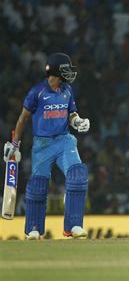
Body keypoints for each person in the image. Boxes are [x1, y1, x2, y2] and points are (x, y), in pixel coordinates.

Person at [3, 53, 91, 240]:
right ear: (57, 70)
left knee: (77, 175)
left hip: (64, 140)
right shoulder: (37, 92)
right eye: (66, 69)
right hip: (42, 144)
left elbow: (71, 113)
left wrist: (78, 122)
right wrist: (15, 144)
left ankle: (74, 226)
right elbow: (23, 118)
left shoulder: (67, 90)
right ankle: (33, 229)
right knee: (38, 186)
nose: (69, 73)